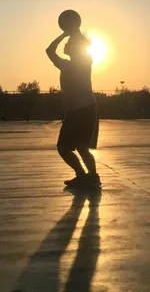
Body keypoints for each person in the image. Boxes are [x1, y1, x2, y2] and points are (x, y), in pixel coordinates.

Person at [46, 29, 100, 188]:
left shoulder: (85, 61)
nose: (65, 45)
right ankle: (83, 176)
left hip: (86, 110)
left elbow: (50, 51)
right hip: (73, 112)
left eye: (68, 43)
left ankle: (93, 177)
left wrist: (71, 34)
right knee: (63, 148)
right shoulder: (66, 65)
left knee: (82, 147)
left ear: (76, 47)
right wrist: (66, 33)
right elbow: (49, 51)